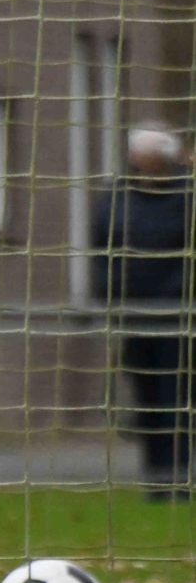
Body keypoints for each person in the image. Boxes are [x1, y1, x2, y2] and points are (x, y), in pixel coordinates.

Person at [93, 128, 196, 500]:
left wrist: (177, 293)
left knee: (177, 400)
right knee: (148, 399)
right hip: (134, 317)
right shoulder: (118, 200)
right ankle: (156, 481)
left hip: (179, 318)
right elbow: (101, 250)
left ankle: (179, 478)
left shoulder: (187, 199)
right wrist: (111, 292)